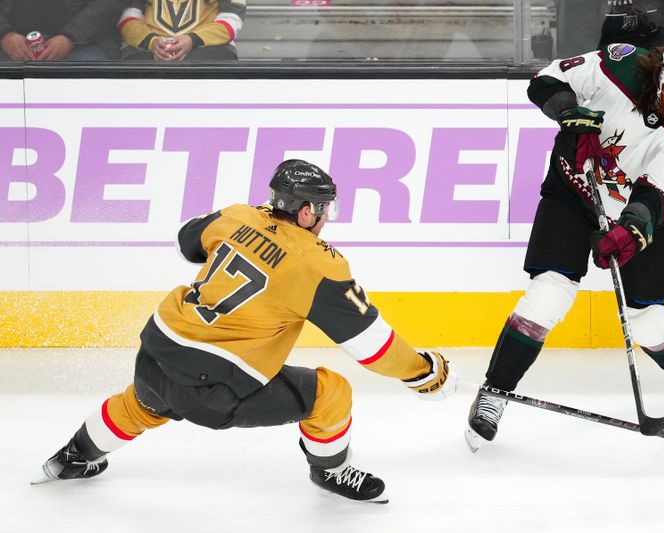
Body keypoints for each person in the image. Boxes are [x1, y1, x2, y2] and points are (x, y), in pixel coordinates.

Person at [34, 159, 457, 504]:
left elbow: (188, 242)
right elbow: (373, 346)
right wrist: (423, 371)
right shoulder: (318, 264)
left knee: (146, 401)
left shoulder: (239, 215)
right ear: (307, 211)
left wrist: (245, 231)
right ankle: (331, 471)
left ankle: (73, 457)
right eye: (325, 209)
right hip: (215, 389)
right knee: (333, 393)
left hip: (155, 353)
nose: (327, 218)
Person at [465, 34, 664, 450]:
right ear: (662, 75)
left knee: (647, 319)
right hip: (572, 193)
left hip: (630, 215)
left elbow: (657, 194)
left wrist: (630, 228)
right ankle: (495, 391)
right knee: (547, 296)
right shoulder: (620, 65)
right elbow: (546, 79)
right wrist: (569, 113)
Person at [118, 0, 245, 61]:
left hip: (206, 50)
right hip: (147, 50)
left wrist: (192, 39)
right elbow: (128, 17)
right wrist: (151, 41)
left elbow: (232, 19)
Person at [0, 0, 125, 61]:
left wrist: (70, 36)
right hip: (8, 45)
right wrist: (4, 34)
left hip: (85, 43)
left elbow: (110, 3)